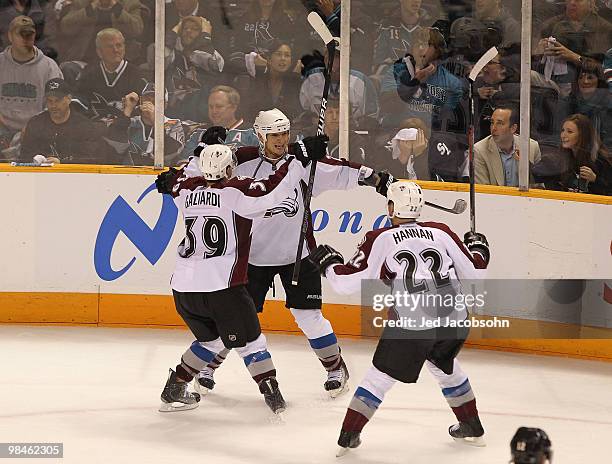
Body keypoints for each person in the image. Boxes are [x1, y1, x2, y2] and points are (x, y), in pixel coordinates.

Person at [161, 108, 393, 399]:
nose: (281, 140)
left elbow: (343, 169)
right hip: (252, 257)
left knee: (308, 316)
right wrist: (196, 156)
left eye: (285, 133)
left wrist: (377, 180)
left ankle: (336, 368)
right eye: (274, 134)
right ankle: (209, 367)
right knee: (233, 319)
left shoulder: (306, 161)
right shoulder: (241, 160)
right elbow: (207, 169)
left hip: (297, 254)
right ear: (260, 135)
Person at [308, 180, 490, 454]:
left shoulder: (380, 238)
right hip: (456, 319)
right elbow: (477, 271)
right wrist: (479, 248)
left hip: (414, 323)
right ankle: (472, 426)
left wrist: (330, 265)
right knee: (444, 364)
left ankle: (348, 436)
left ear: (392, 207)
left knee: (378, 378)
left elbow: (345, 284)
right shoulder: (441, 231)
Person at [158, 140, 328, 414]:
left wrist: (200, 148)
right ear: (228, 170)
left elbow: (176, 180)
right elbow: (274, 189)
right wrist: (297, 160)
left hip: (184, 289)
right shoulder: (236, 192)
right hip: (222, 286)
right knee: (252, 343)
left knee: (211, 341)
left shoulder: (185, 191)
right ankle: (272, 394)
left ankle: (175, 386)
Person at [19, 77, 121, 164]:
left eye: (57, 101)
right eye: (50, 101)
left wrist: (62, 163)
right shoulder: (36, 124)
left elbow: (90, 160)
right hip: (40, 178)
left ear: (68, 99)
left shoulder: (84, 126)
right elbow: (24, 157)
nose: (53, 105)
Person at [0, 16, 62, 158]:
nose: (26, 38)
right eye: (21, 34)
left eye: (29, 34)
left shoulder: (49, 66)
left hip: (37, 129)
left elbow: (57, 104)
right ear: (10, 36)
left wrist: (34, 125)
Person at [474, 105, 542, 187]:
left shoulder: (531, 147)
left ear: (513, 128)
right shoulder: (479, 150)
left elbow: (539, 188)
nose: (493, 128)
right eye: (492, 122)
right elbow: (483, 192)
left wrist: (526, 167)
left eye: (500, 123)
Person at [546, 113, 612, 195]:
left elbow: (608, 191)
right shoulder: (563, 157)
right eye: (563, 130)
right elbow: (553, 184)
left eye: (569, 132)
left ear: (582, 135)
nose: (563, 135)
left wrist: (595, 179)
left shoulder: (600, 160)